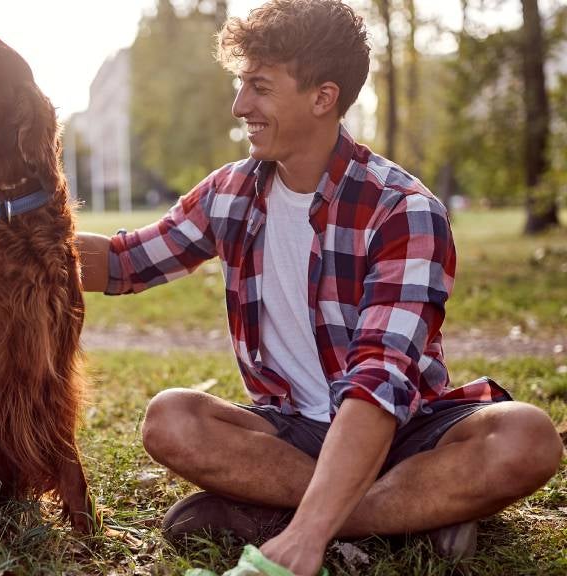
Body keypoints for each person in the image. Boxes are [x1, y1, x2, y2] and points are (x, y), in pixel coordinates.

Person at [75, 1, 564, 574]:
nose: (240, 106)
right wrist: (5, 234)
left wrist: (305, 538)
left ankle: (283, 519)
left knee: (526, 438)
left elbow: (380, 382)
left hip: (407, 428)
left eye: (258, 87)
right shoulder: (229, 192)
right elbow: (123, 264)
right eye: (241, 84)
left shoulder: (402, 209)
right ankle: (416, 511)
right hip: (293, 431)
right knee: (171, 419)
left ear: (322, 97)